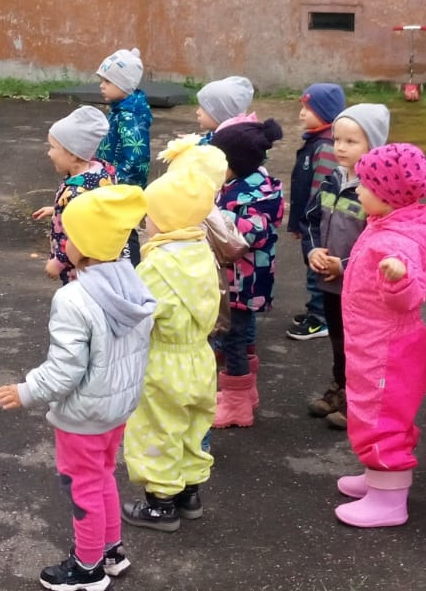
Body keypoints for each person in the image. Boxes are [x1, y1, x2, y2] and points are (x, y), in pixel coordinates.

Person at [0, 185, 155, 591]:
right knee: (103, 476)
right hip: (118, 407)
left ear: (84, 245)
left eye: (68, 235)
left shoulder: (73, 298)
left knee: (83, 487)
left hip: (83, 415)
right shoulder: (132, 285)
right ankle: (111, 552)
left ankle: (88, 568)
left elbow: (65, 370)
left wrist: (27, 390)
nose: (63, 241)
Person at [122, 139, 227, 532]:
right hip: (200, 356)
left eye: (150, 216)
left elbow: (138, 313)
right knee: (194, 424)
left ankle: (160, 502)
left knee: (158, 426)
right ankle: (190, 493)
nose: (146, 223)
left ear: (165, 219)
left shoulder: (158, 265)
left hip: (164, 359)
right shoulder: (202, 252)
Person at [334, 143, 426, 528]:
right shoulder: (388, 223)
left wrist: (399, 279)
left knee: (382, 419)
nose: (358, 189)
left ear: (388, 194)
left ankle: (389, 500)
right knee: (372, 413)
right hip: (374, 343)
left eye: (365, 184)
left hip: (386, 349)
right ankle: (378, 477)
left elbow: (410, 296)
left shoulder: (399, 241)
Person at [304, 103, 389, 430]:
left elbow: (379, 241)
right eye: (337, 139)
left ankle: (361, 401)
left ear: (373, 145)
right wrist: (314, 252)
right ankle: (341, 387)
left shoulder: (376, 192)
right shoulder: (332, 179)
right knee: (339, 340)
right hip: (331, 282)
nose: (340, 147)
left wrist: (344, 265)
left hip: (360, 286)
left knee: (361, 345)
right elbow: (311, 219)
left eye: (351, 141)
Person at [209, 119, 285, 428]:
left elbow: (249, 235)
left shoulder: (253, 195)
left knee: (232, 340)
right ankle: (245, 391)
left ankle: (236, 404)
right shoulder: (243, 185)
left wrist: (214, 218)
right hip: (241, 279)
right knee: (241, 336)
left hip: (243, 281)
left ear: (234, 164)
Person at [285, 84, 346, 341]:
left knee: (318, 269)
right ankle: (316, 309)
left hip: (320, 223)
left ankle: (320, 318)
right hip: (310, 221)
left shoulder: (326, 146)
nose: (301, 114)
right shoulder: (315, 141)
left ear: (325, 112)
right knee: (313, 267)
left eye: (308, 109)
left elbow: (321, 192)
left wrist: (308, 222)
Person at [32, 106, 115, 285]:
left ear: (72, 154)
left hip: (78, 269)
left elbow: (80, 235)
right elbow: (91, 211)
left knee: (77, 299)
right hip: (96, 265)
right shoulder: (100, 172)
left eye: (52, 147)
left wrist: (58, 262)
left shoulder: (78, 193)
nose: (48, 153)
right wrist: (57, 209)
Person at [95, 47, 151, 263]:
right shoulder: (119, 111)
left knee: (124, 231)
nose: (102, 85)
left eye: (107, 81)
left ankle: (131, 269)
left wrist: (114, 181)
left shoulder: (130, 117)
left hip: (122, 187)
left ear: (124, 85)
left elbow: (136, 158)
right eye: (102, 80)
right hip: (113, 182)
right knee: (113, 229)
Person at [194, 76, 254, 146]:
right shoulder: (218, 135)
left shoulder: (224, 145)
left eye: (204, 108)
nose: (197, 112)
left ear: (221, 115)